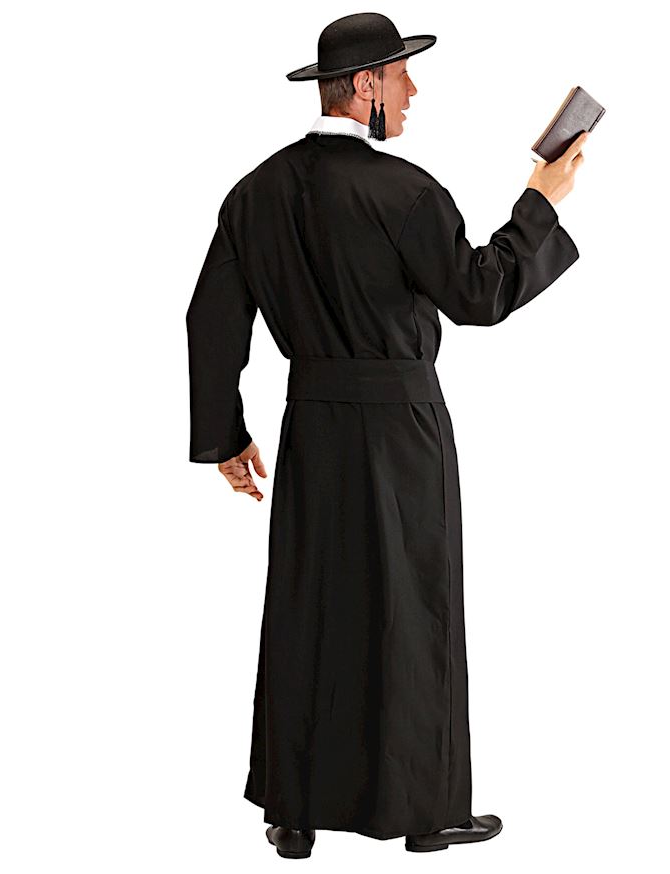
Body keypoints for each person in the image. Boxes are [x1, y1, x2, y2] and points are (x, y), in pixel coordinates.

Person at [186, 11, 586, 859]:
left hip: (310, 427)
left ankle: (293, 811)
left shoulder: (254, 193)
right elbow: (479, 295)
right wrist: (540, 203)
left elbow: (209, 319)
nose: (413, 91)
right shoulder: (404, 192)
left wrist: (225, 436)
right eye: (402, 76)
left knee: (307, 608)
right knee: (415, 610)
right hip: (401, 429)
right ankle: (427, 811)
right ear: (364, 85)